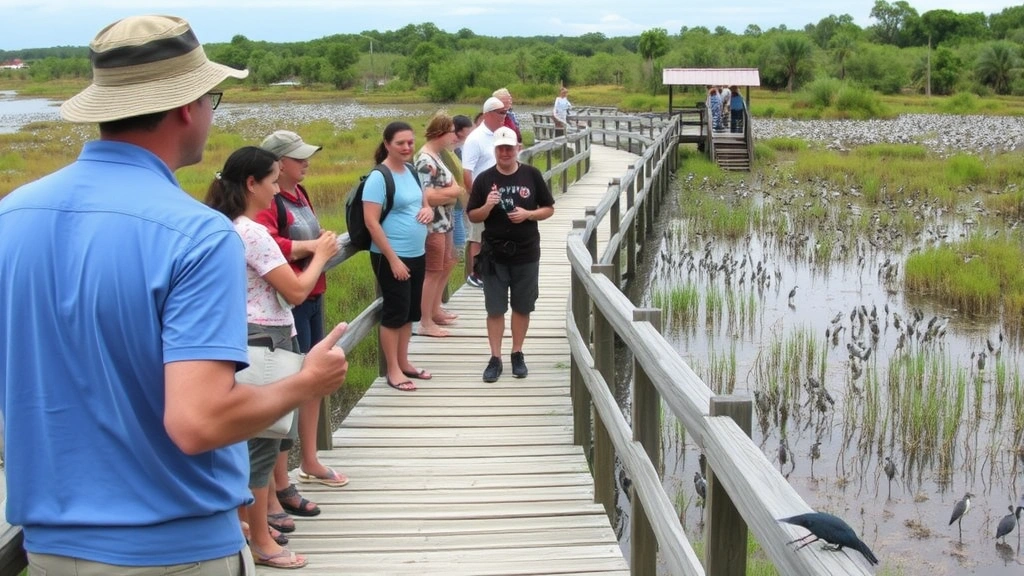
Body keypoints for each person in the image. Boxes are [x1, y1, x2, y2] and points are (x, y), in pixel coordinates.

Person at [0, 15, 348, 576]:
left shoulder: (11, 215)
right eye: (214, 98)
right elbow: (200, 422)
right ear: (189, 107)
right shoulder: (197, 235)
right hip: (172, 549)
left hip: (46, 547)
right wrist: (306, 381)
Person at [205, 146, 340, 569]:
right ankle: (262, 542)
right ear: (252, 184)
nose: (276, 189)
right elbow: (296, 292)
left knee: (243, 442)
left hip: (238, 337)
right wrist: (319, 255)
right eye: (271, 180)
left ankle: (246, 525)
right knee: (263, 444)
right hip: (268, 339)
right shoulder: (253, 232)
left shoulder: (219, 224)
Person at [256, 130, 349, 525]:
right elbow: (266, 244)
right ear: (276, 163)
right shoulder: (268, 201)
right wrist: (314, 249)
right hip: (285, 303)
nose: (306, 163)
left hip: (312, 296)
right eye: (298, 158)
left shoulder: (299, 194)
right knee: (286, 392)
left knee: (312, 382)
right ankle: (280, 485)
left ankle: (308, 460)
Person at [467, 127, 555, 383]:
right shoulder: (484, 179)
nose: (505, 152)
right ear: (494, 150)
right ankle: (495, 358)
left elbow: (548, 209)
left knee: (522, 305)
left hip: (526, 252)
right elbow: (473, 215)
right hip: (494, 254)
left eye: (509, 147)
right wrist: (488, 205)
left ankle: (517, 352)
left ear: (518, 148)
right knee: (495, 309)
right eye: (500, 148)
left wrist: (528, 214)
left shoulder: (531, 175)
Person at [365, 121, 434, 391]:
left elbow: (422, 200)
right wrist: (393, 259)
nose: (407, 147)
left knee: (409, 313)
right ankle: (393, 370)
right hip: (392, 256)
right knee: (394, 313)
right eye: (400, 143)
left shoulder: (411, 170)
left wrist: (427, 209)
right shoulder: (379, 177)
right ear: (387, 145)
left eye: (410, 142)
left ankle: (404, 362)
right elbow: (371, 222)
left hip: (417, 253)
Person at [414, 113, 463, 338]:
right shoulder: (425, 159)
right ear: (440, 132)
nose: (455, 136)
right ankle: (425, 321)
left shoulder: (438, 156)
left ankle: (434, 310)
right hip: (433, 225)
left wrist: (451, 193)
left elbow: (455, 188)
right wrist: (451, 194)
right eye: (452, 131)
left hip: (446, 222)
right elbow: (427, 196)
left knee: (446, 264)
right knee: (432, 272)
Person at [462, 97, 507, 289]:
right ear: (488, 114)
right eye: (501, 113)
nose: (505, 116)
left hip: (499, 197)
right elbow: (466, 172)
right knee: (478, 237)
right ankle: (476, 274)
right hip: (482, 198)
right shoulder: (475, 138)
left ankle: (494, 271)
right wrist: (477, 198)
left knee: (495, 235)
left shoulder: (499, 135)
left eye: (506, 112)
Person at [449, 114, 474, 255]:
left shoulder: (460, 148)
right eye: (466, 133)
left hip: (462, 193)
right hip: (456, 194)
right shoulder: (451, 151)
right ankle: (460, 253)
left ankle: (460, 252)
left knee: (459, 220)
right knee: (458, 219)